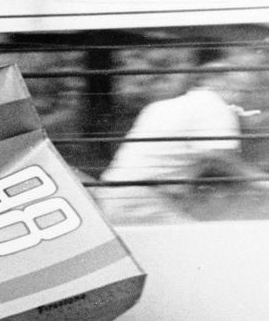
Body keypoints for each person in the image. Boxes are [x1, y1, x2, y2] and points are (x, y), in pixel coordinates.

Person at [99, 54, 268, 223]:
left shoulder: (166, 106)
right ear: (220, 81)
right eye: (241, 89)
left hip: (114, 196)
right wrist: (260, 181)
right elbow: (218, 156)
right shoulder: (215, 107)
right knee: (203, 247)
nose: (241, 97)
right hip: (143, 201)